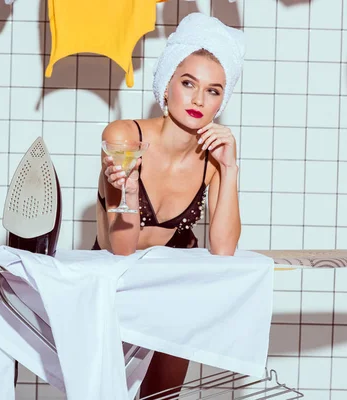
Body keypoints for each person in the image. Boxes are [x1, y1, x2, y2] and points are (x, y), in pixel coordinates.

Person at [91, 13, 246, 398]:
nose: (197, 99)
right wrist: (127, 192)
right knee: (106, 390)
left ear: (222, 101)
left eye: (213, 90)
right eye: (188, 83)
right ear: (166, 86)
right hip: (118, 282)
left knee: (162, 396)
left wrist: (229, 169)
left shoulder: (213, 159)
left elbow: (223, 249)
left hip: (176, 286)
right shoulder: (123, 136)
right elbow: (122, 249)